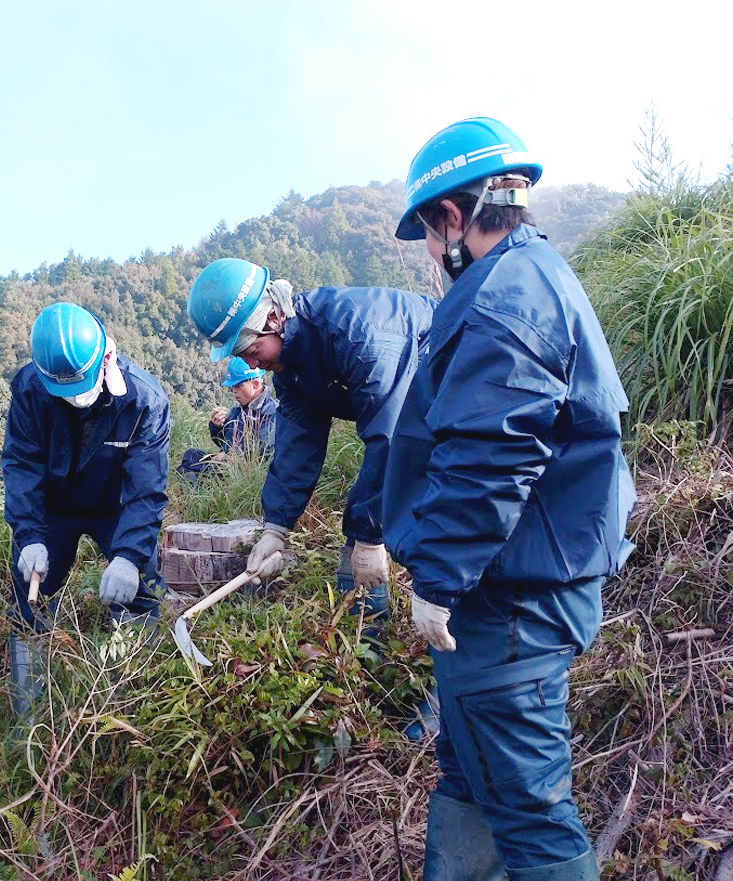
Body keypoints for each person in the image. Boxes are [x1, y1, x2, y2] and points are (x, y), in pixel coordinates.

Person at [384, 117, 635, 881]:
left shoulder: (504, 297)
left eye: (429, 234)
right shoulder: (525, 278)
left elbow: (490, 456)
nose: (432, 256)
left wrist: (436, 580)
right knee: (470, 777)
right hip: (501, 593)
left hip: (508, 606)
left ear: (451, 219)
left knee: (529, 813)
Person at [186, 258, 435, 622]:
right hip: (411, 428)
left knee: (436, 540)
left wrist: (369, 534)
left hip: (457, 409)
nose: (252, 365)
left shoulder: (360, 333)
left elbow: (391, 438)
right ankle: (367, 655)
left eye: (251, 352)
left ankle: (445, 642)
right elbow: (297, 446)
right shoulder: (293, 368)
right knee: (354, 572)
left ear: (274, 320)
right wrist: (277, 526)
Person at [2, 303, 173, 708]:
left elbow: (146, 489)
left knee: (142, 591)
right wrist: (29, 535)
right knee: (30, 595)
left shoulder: (143, 400)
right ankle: (31, 708)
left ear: (106, 358)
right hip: (52, 510)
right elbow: (21, 464)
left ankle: (135, 694)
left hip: (116, 507)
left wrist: (129, 555)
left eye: (80, 386)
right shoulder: (30, 389)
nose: (75, 398)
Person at [177, 357, 277, 480]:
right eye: (232, 387)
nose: (234, 391)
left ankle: (195, 484)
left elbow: (265, 456)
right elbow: (223, 442)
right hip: (225, 463)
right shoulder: (239, 409)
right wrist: (217, 426)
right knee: (191, 454)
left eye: (239, 386)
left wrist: (232, 459)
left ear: (255, 385)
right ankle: (195, 483)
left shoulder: (271, 413)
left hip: (244, 473)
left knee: (190, 474)